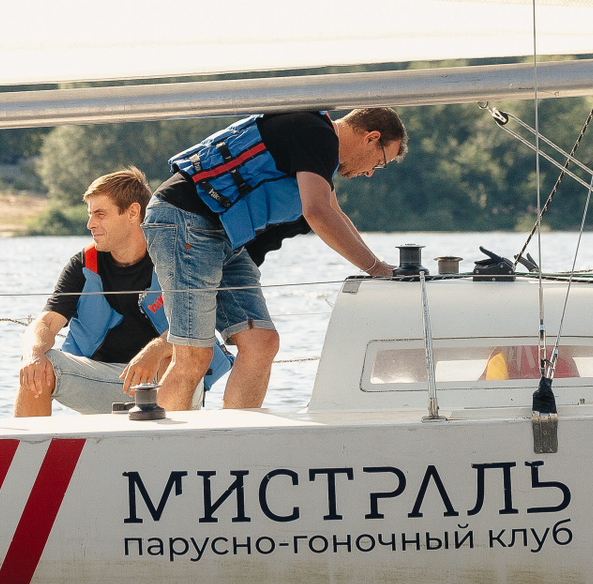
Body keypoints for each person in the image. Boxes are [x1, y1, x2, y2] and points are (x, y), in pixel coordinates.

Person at [144, 108, 407, 411]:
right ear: (371, 138)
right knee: (194, 355)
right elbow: (317, 212)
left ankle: (237, 433)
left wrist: (379, 267)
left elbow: (335, 212)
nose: (371, 172)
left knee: (261, 342)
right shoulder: (317, 134)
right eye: (380, 162)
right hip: (184, 219)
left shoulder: (319, 148)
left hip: (222, 233)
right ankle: (164, 438)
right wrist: (375, 268)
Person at [16, 167, 233, 416]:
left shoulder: (175, 258)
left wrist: (154, 351)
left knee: (170, 357)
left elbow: (196, 326)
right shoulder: (83, 265)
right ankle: (28, 442)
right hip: (106, 381)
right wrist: (33, 354)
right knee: (37, 367)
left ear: (132, 212)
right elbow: (45, 323)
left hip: (169, 379)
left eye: (100, 214)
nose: (90, 224)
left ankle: (166, 440)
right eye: (90, 215)